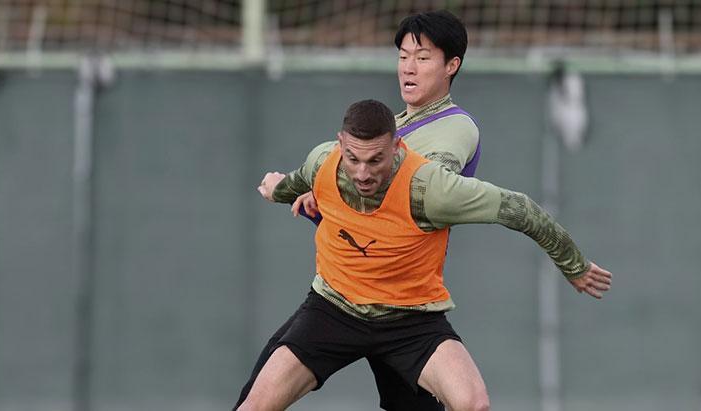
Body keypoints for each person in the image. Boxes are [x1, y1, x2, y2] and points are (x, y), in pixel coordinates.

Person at [240, 99, 612, 411]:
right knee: (254, 406)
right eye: (353, 159)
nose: (363, 173)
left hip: (410, 320)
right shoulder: (323, 161)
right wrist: (275, 189)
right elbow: (294, 183)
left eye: (376, 160)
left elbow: (521, 209)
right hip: (334, 309)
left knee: (473, 403)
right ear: (340, 144)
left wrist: (574, 265)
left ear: (397, 147)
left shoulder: (430, 189)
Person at [234, 10, 480, 411]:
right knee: (255, 401)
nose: (408, 68)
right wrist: (320, 199)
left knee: (469, 402)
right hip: (342, 301)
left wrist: (302, 190)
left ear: (452, 65)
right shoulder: (391, 128)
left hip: (405, 309)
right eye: (403, 56)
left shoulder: (455, 127)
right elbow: (368, 208)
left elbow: (422, 193)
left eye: (422, 58)